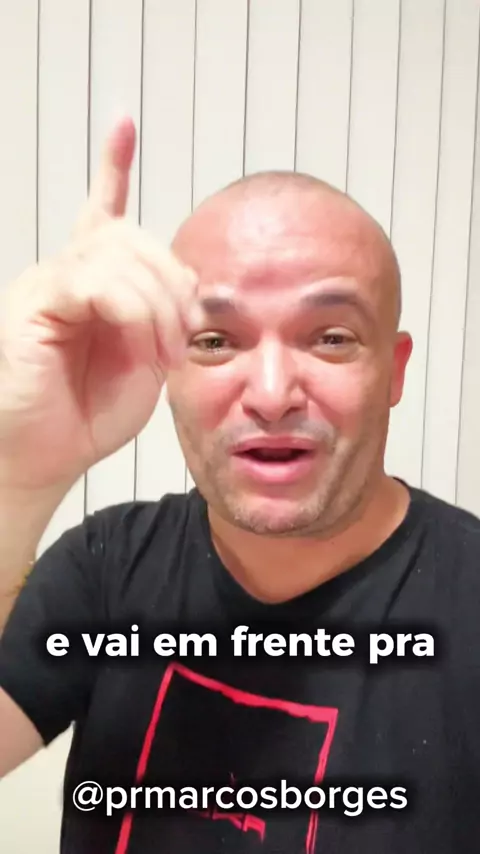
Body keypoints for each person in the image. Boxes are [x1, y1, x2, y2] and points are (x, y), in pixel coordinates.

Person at [0, 115, 479, 854]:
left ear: (393, 370)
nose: (272, 394)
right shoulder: (106, 568)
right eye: (216, 340)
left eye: (331, 337)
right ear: (168, 367)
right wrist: (20, 474)